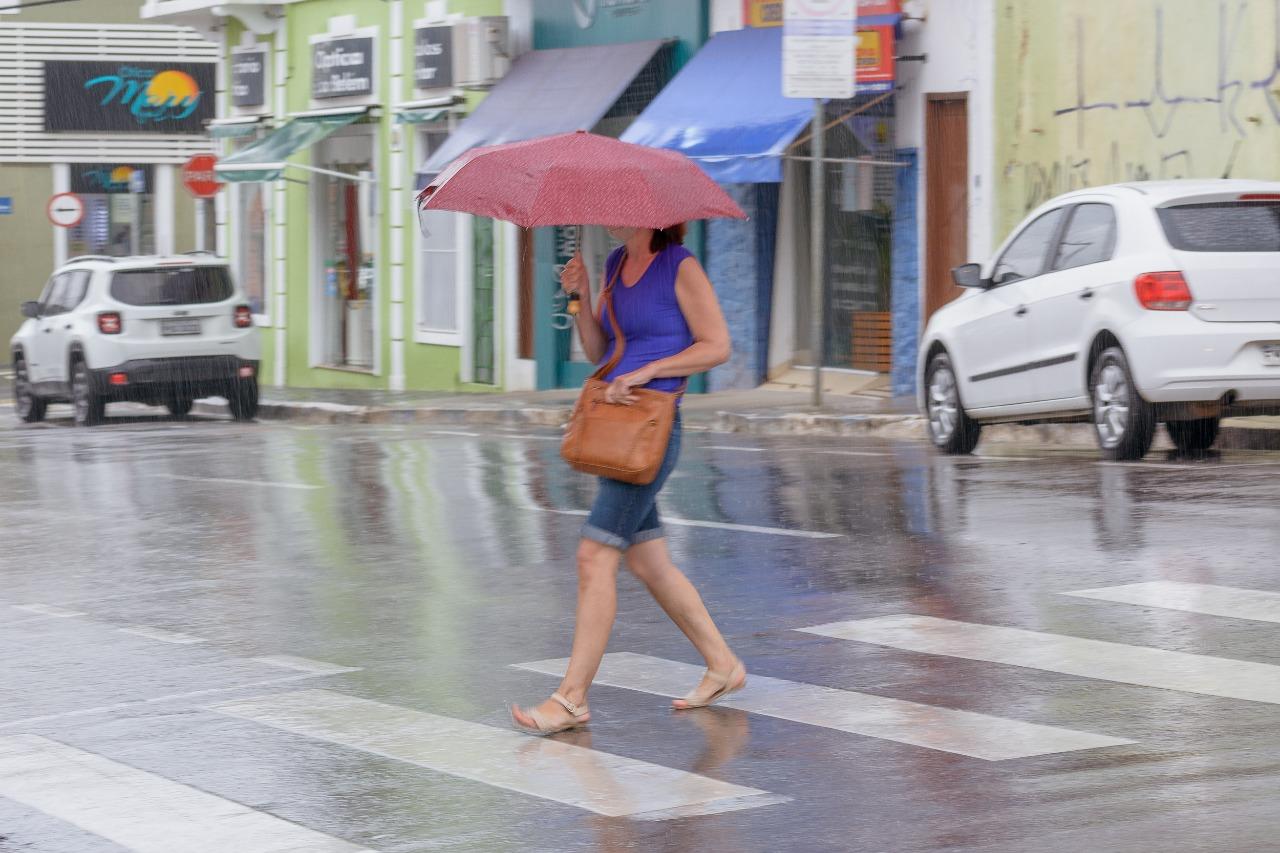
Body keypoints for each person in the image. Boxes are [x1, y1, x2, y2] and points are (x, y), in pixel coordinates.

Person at [511, 224, 745, 735]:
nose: (610, 217)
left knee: (594, 555)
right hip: (619, 424)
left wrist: (649, 371)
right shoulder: (617, 262)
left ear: (653, 213)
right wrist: (581, 298)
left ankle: (571, 698)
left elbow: (717, 346)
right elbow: (601, 350)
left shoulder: (679, 265)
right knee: (648, 561)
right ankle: (723, 664)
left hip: (653, 427)